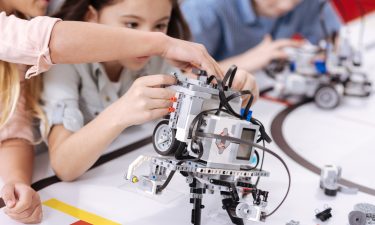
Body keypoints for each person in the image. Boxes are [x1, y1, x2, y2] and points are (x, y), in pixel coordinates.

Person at [42, 0, 258, 182]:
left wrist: (238, 88)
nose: (149, 39)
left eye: (160, 26)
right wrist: (120, 113)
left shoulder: (160, 59)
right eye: (132, 24)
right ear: (91, 16)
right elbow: (64, 167)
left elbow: (204, 92)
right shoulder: (63, 63)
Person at [182, 0, 342, 72]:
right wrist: (245, 62)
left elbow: (334, 40)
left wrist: (326, 54)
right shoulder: (202, 9)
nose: (287, 5)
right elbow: (185, 77)